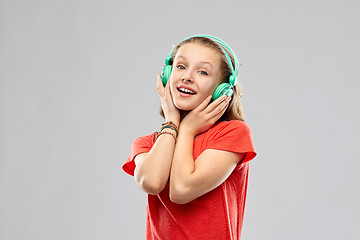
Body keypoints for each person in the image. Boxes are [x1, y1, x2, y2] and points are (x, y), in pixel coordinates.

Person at [122, 35, 257, 240]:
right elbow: (151, 182)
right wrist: (173, 124)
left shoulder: (233, 134)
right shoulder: (147, 144)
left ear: (223, 89)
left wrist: (186, 130)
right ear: (167, 75)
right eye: (181, 67)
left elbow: (181, 189)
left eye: (202, 71)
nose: (187, 77)